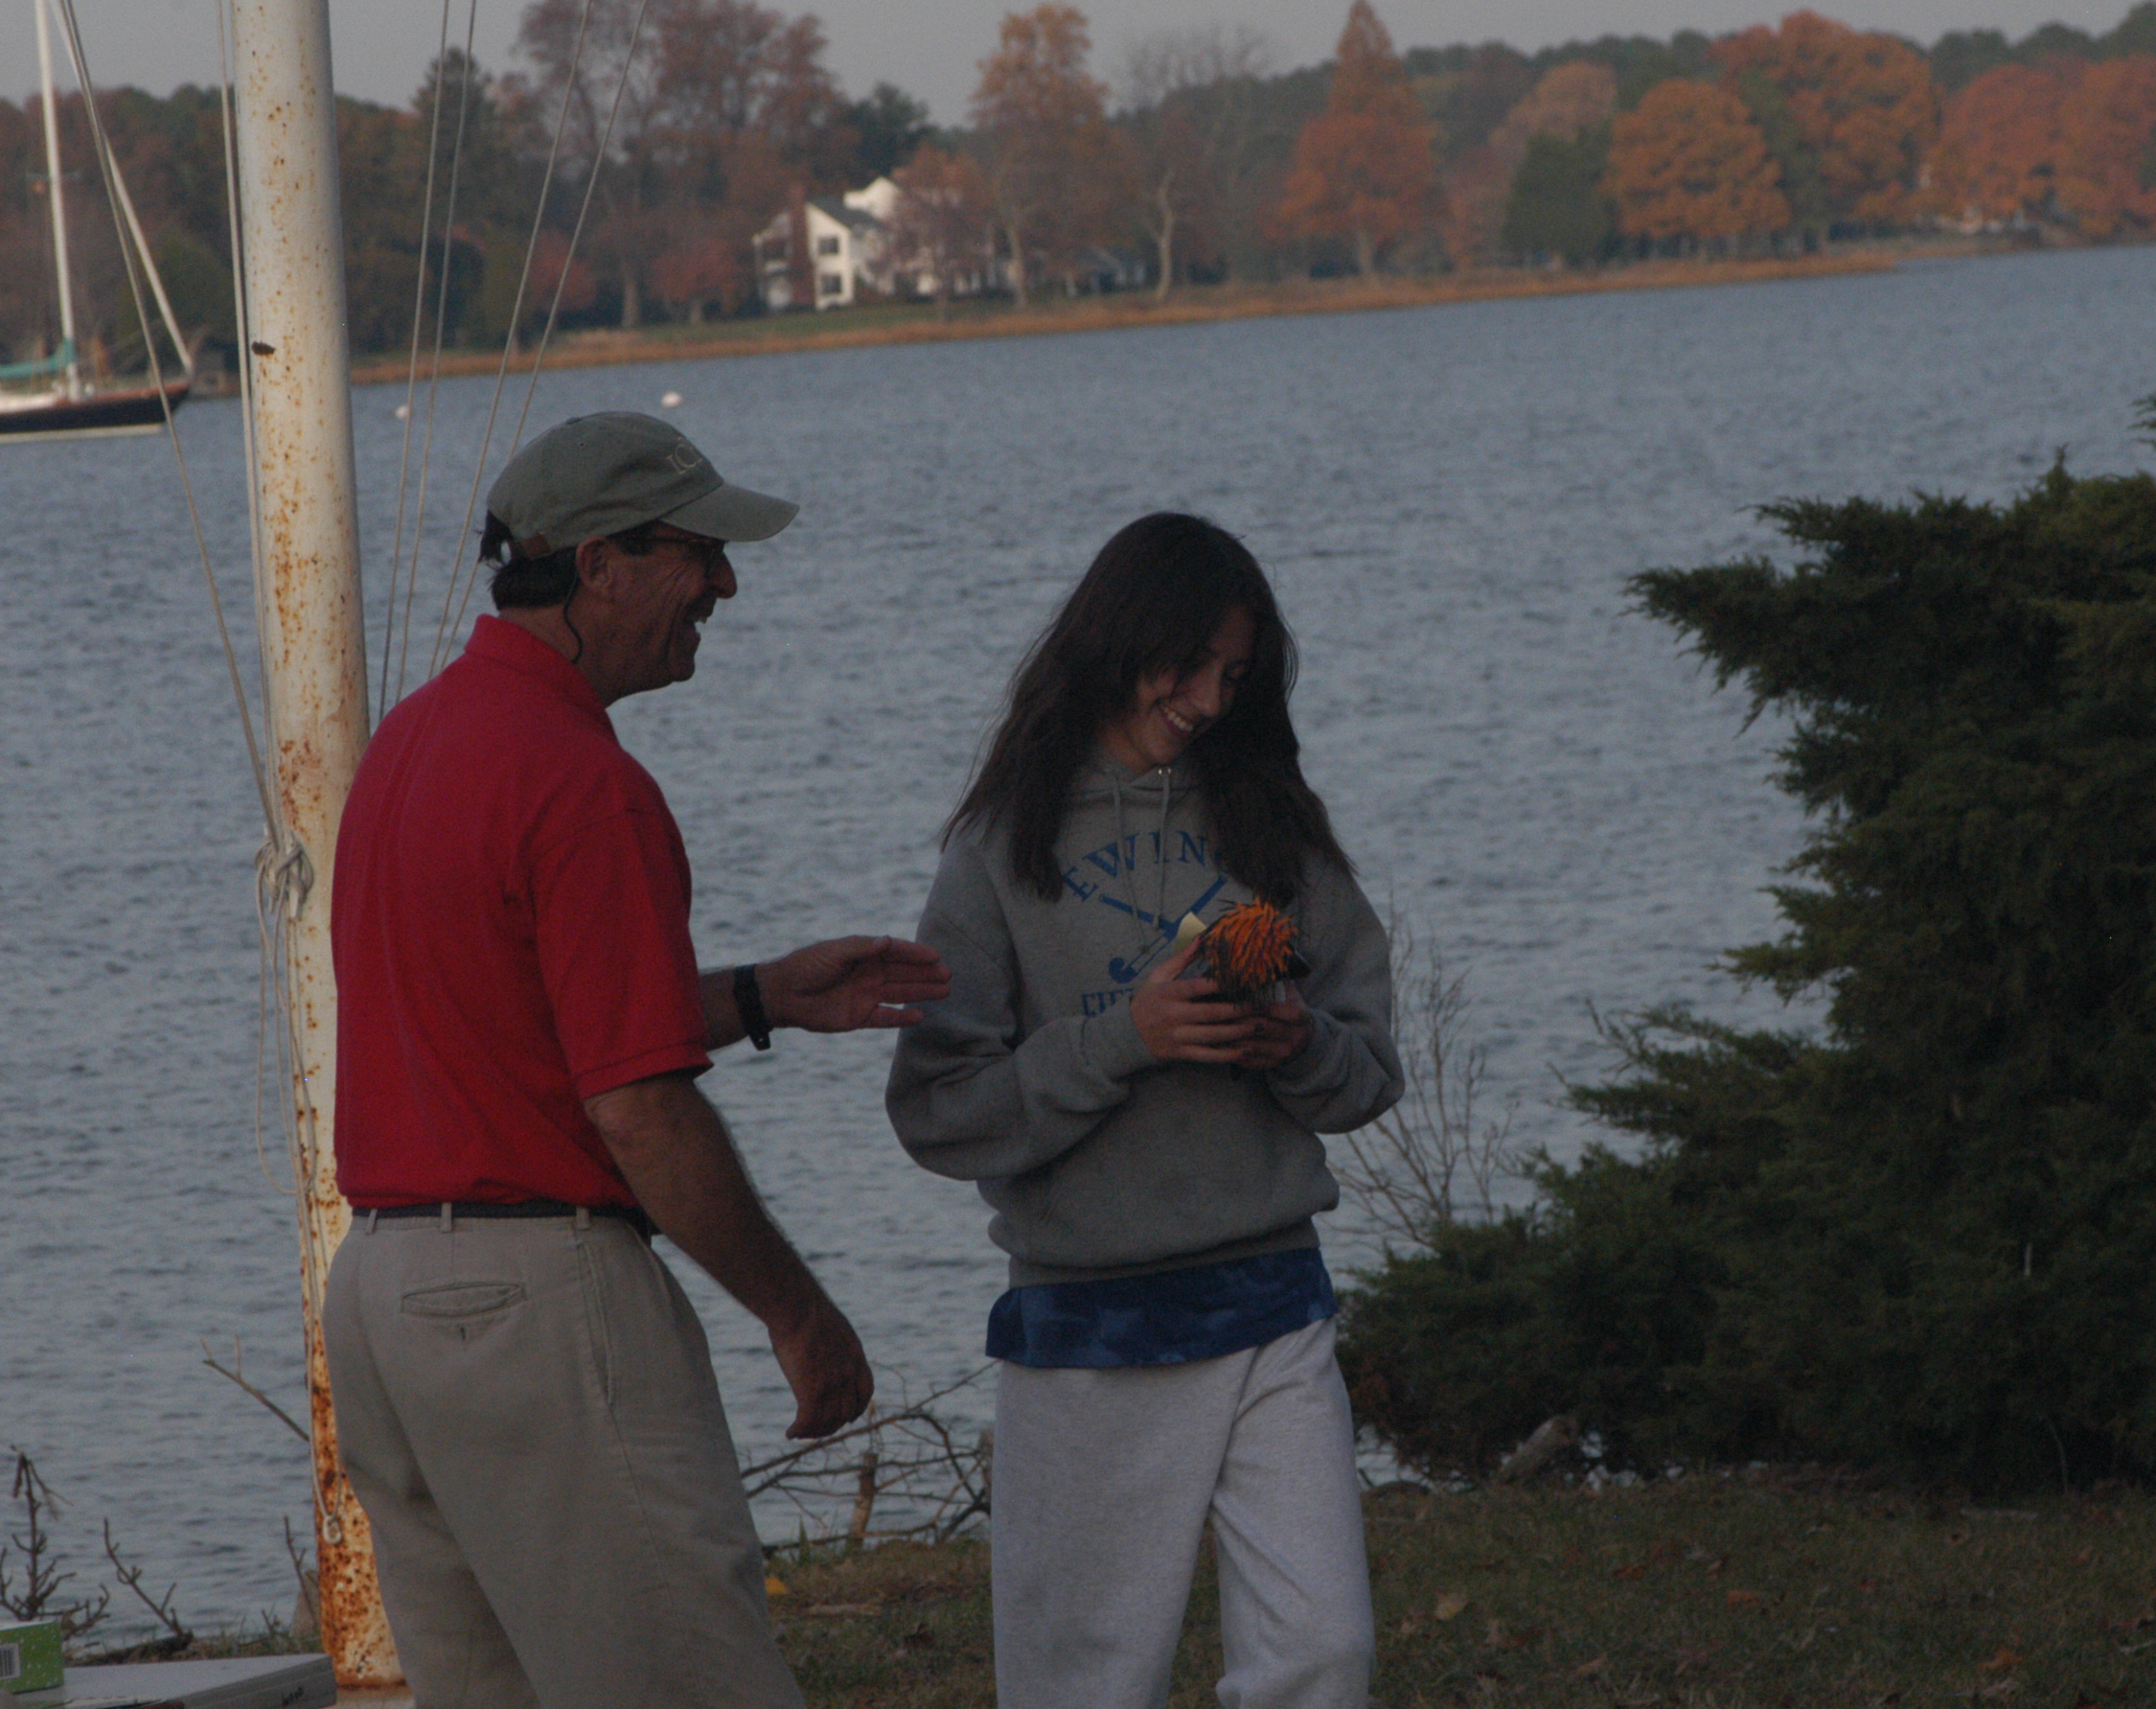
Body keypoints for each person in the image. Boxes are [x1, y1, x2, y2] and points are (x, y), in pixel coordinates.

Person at [322, 410, 950, 1709]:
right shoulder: (582, 783)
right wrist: (797, 1313)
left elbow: (504, 1022)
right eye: (697, 552)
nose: (724, 583)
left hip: (383, 1304)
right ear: (597, 565)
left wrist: (757, 997)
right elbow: (639, 1110)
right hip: (537, 1308)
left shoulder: (410, 745)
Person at [888, 511, 1401, 1709]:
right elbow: (939, 1109)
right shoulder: (1000, 847)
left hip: (1271, 1300)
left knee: (1325, 1652)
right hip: (1085, 1323)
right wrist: (1128, 1036)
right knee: (1081, 1684)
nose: (1210, 700)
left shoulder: (1273, 825)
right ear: (1120, 639)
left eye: (1237, 673)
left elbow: (1368, 1070)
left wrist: (1296, 1043)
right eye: (1190, 664)